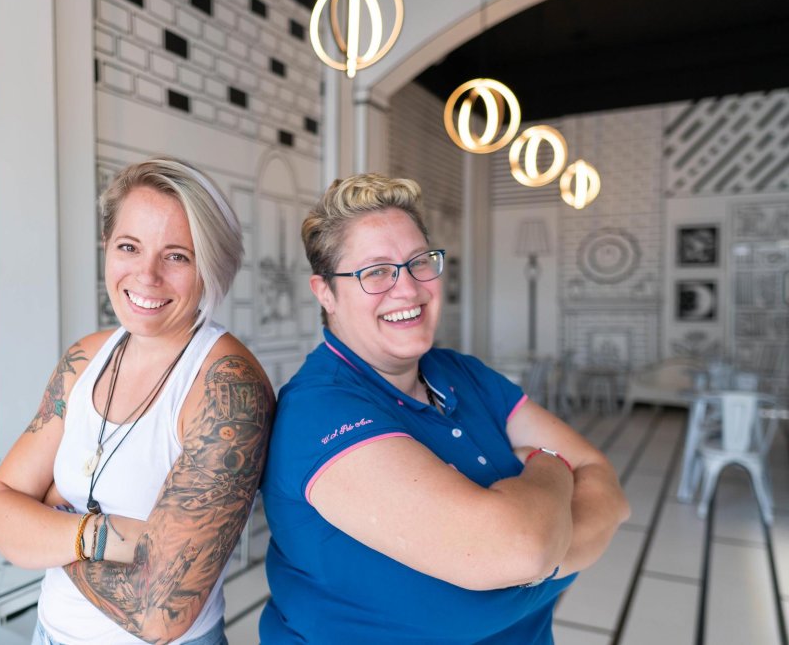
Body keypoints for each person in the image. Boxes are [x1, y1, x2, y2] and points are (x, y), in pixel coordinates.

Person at [259, 174, 630, 644]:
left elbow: (606, 485)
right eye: (375, 271)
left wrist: (535, 555)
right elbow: (519, 547)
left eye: (419, 262)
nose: (408, 289)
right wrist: (549, 466)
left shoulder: (461, 372)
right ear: (326, 292)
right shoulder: (319, 412)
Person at [0, 158, 274, 645]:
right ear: (106, 249)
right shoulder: (86, 357)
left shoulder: (226, 387)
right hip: (48, 633)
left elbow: (160, 610)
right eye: (128, 247)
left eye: (177, 256)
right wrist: (103, 535)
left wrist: (48, 518)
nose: (147, 275)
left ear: (211, 265)